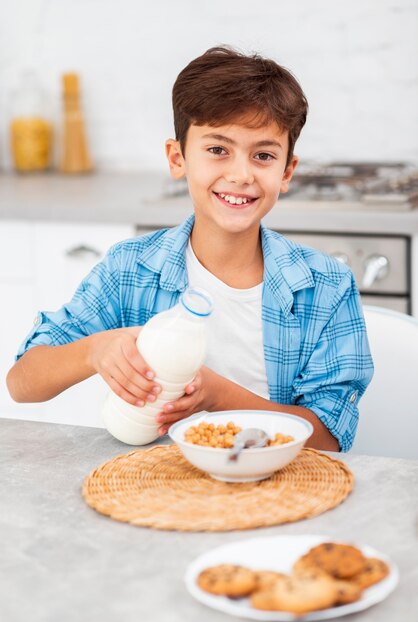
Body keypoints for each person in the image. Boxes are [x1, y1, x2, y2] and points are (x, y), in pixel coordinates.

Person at [6, 46, 373, 452]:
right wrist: (94, 351)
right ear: (177, 158)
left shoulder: (325, 286)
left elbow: (329, 440)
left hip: (275, 492)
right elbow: (23, 383)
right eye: (218, 150)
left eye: (263, 156)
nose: (240, 174)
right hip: (153, 490)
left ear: (286, 171)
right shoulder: (131, 269)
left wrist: (219, 396)